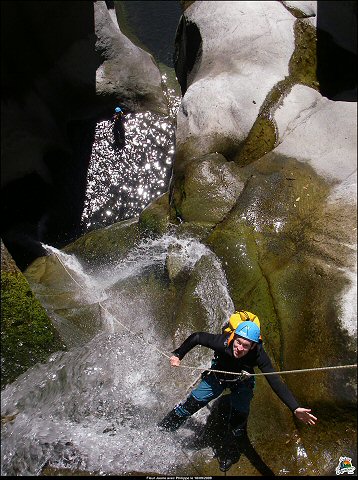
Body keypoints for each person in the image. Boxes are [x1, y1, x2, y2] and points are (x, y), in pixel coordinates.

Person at [158, 321, 317, 469]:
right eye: (238, 342)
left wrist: (294, 408)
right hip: (218, 376)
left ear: (253, 346)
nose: (239, 348)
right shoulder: (223, 342)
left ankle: (231, 451)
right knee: (190, 405)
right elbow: (197, 337)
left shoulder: (259, 355)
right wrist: (178, 354)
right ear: (234, 337)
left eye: (245, 346)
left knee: (238, 423)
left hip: (242, 381)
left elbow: (274, 380)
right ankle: (165, 427)